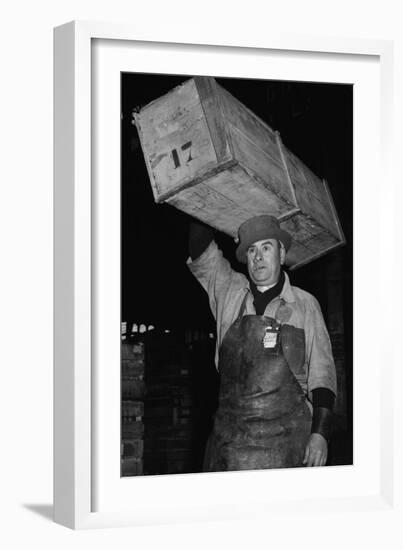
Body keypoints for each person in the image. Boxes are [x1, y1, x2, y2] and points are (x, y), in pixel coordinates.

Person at [187, 214, 337, 472]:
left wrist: (320, 434)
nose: (258, 257)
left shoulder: (304, 304)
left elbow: (322, 374)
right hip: (229, 445)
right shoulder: (229, 292)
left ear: (281, 254)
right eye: (252, 250)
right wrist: (204, 198)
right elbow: (200, 251)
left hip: (290, 443)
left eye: (266, 247)